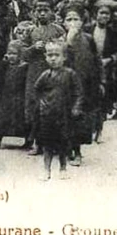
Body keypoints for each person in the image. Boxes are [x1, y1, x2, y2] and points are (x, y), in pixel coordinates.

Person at [33, 41, 84, 181]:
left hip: (64, 114)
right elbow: (36, 89)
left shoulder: (70, 74)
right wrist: (42, 103)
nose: (53, 58)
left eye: (57, 55)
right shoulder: (45, 75)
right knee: (47, 144)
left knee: (63, 143)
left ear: (64, 57)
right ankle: (46, 170)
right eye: (50, 55)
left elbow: (79, 93)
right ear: (45, 57)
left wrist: (76, 107)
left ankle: (63, 168)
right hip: (47, 115)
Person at [23, 0, 66, 155]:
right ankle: (36, 142)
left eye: (45, 10)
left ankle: (53, 143)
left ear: (52, 12)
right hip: (34, 72)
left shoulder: (58, 30)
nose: (42, 13)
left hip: (53, 72)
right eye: (38, 10)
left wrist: (53, 46)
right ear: (34, 12)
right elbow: (22, 54)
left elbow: (65, 50)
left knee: (54, 106)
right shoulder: (30, 30)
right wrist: (33, 48)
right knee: (35, 106)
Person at [62, 5, 100, 166]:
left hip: (83, 84)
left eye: (75, 19)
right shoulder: (59, 39)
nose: (72, 23)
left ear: (82, 22)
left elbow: (96, 61)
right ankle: (66, 149)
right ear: (63, 22)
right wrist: (68, 41)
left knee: (78, 117)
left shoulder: (88, 39)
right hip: (63, 84)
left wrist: (100, 82)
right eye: (68, 19)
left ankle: (77, 151)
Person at [88, 1, 117, 142]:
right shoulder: (87, 30)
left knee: (102, 100)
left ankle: (99, 129)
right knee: (88, 99)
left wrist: (109, 60)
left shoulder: (114, 33)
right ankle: (89, 129)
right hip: (89, 69)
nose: (104, 16)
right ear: (96, 15)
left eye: (107, 14)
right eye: (101, 13)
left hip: (106, 70)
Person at [0, 40, 30, 149]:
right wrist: (3, 62)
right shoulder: (5, 66)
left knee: (22, 118)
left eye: (14, 54)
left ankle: (27, 140)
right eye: (9, 53)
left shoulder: (24, 66)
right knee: (2, 118)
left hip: (20, 96)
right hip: (7, 96)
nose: (11, 56)